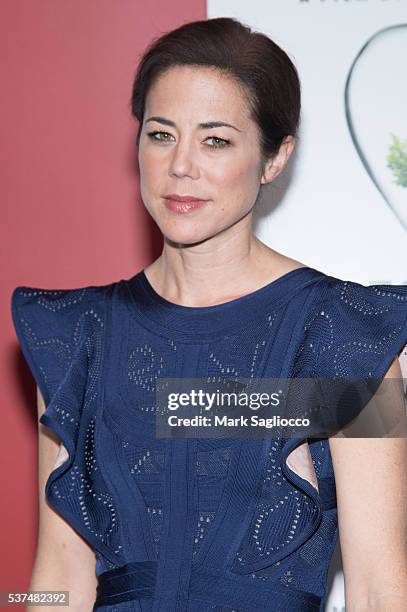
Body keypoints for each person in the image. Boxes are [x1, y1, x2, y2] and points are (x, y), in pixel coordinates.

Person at [11, 16, 407, 612]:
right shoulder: (77, 337)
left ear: (275, 158)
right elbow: (58, 578)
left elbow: (380, 591)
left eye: (215, 139)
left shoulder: (348, 336)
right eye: (161, 133)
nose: (181, 166)